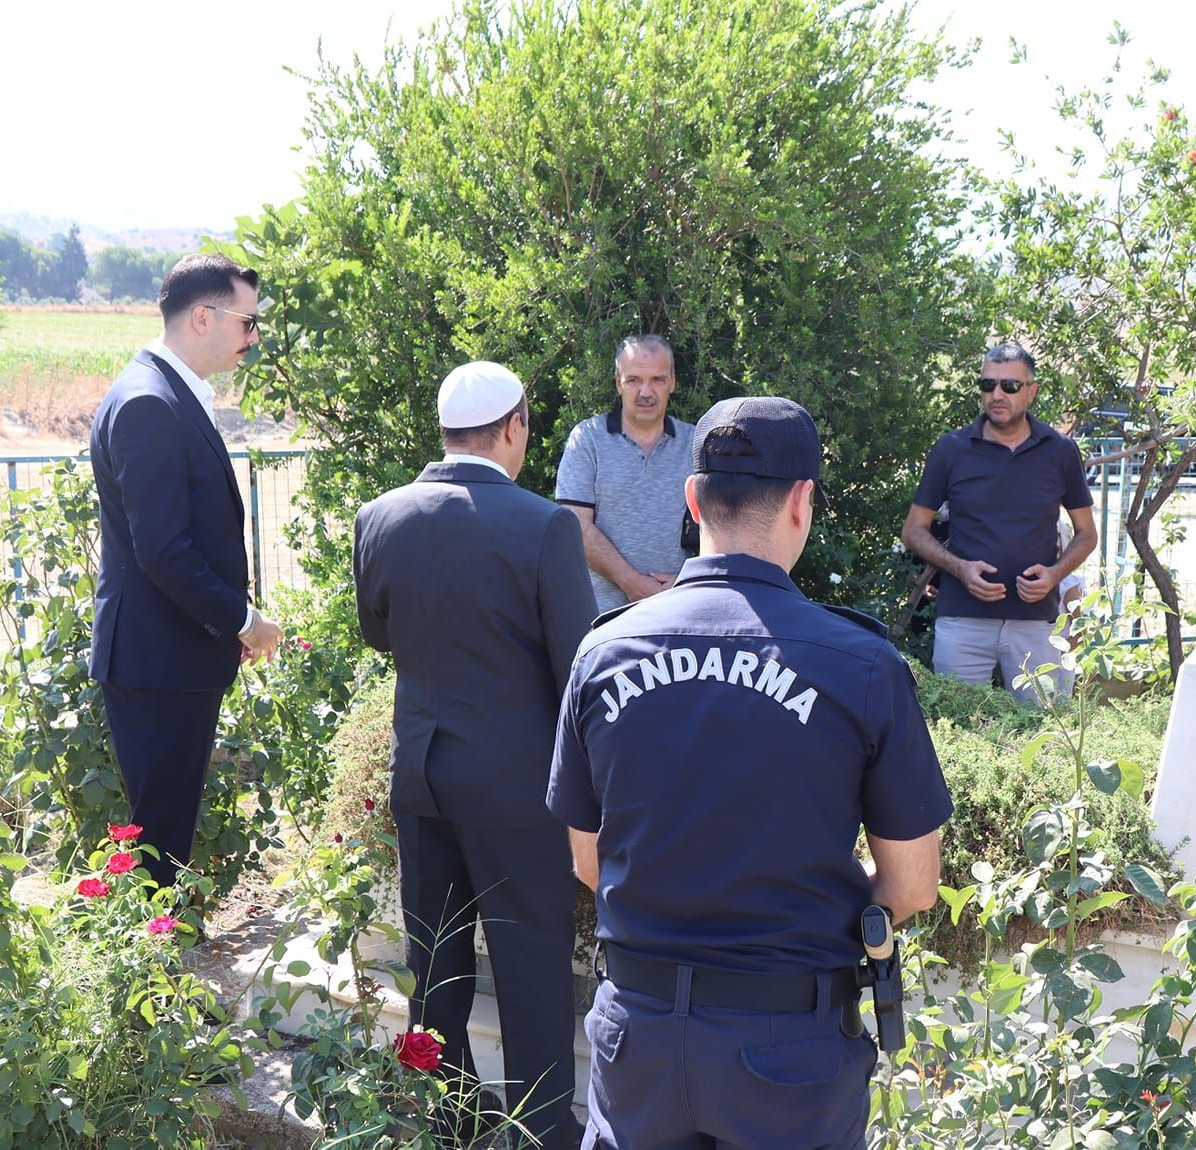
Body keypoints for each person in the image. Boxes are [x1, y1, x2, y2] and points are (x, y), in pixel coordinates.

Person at [548, 396, 953, 1150]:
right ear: (803, 502)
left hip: (636, 1038)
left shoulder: (604, 653)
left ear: (693, 497)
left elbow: (586, 858)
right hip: (788, 1050)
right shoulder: (860, 665)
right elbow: (913, 886)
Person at [353, 362, 597, 1149]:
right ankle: (543, 1135)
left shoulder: (380, 516)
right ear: (514, 427)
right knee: (529, 964)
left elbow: (378, 634)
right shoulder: (545, 525)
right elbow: (578, 668)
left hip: (421, 774)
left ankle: (450, 1122)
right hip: (518, 786)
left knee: (438, 965)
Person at [89, 253, 283, 888]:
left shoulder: (160, 391)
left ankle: (152, 968)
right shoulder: (150, 401)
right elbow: (165, 550)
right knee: (157, 847)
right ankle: (147, 977)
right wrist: (243, 619)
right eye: (248, 323)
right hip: (157, 664)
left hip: (167, 657)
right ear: (204, 317)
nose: (253, 340)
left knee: (161, 838)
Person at [900, 342, 1097, 704]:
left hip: (1038, 622)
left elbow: (1087, 534)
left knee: (1045, 730)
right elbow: (913, 530)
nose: (996, 395)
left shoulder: (1060, 451)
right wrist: (959, 568)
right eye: (987, 385)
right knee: (957, 728)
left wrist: (1054, 575)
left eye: (1009, 386)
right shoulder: (951, 449)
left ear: (1031, 391)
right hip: (963, 619)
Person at [555, 334, 696, 612]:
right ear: (618, 383)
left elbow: (721, 528)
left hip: (678, 615)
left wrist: (685, 583)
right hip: (600, 619)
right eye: (634, 380)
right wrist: (633, 584)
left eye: (657, 379)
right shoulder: (588, 439)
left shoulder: (695, 444)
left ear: (672, 383)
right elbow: (575, 526)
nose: (646, 392)